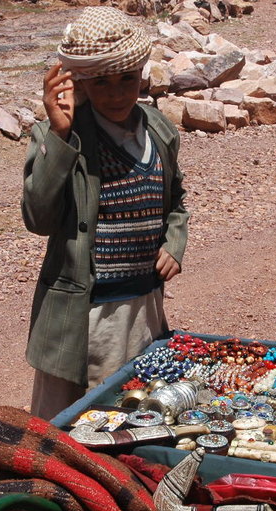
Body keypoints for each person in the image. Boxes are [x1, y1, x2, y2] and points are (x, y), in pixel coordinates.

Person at [22, 6, 190, 421]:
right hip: (84, 312)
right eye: (101, 82)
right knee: (66, 421)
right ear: (79, 82)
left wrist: (174, 242)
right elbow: (38, 218)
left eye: (126, 79)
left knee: (136, 409)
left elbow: (175, 201)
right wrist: (59, 134)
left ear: (141, 74)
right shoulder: (61, 135)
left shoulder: (158, 130)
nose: (116, 93)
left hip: (143, 305)